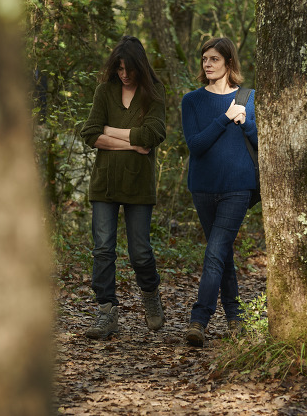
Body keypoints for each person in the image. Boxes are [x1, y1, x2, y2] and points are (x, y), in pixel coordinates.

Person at [80, 36, 167, 339]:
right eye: (119, 69)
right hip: (104, 184)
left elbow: (153, 134)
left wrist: (111, 133)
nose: (124, 74)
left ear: (139, 66)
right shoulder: (105, 92)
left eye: (128, 68)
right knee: (103, 249)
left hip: (138, 186)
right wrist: (133, 141)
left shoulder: (154, 94)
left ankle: (151, 296)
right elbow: (90, 133)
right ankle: (107, 312)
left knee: (140, 251)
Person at [181, 37, 257, 347]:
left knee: (214, 252)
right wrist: (225, 118)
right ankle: (235, 317)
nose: (208, 64)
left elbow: (259, 140)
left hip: (238, 187)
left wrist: (244, 121)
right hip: (203, 186)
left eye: (214, 59)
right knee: (221, 252)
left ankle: (198, 320)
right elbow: (196, 146)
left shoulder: (248, 98)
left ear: (228, 63)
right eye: (204, 59)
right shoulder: (192, 101)